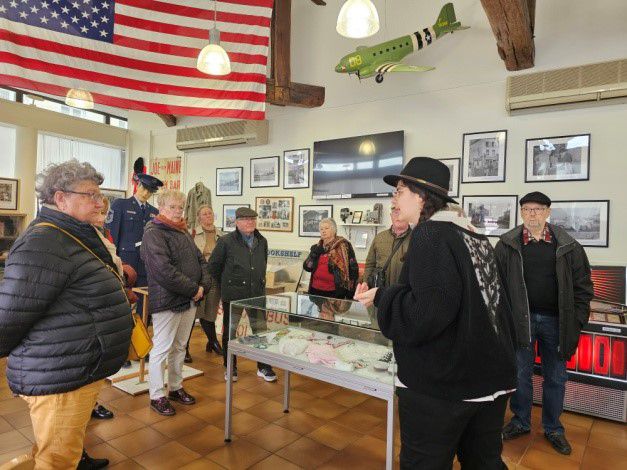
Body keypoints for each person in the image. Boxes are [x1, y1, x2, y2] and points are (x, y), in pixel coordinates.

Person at [354, 157, 517, 469]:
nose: (393, 199)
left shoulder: (430, 234)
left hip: (444, 386)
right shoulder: (475, 236)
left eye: (399, 191)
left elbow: (425, 314)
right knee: (484, 462)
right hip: (489, 380)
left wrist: (384, 296)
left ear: (421, 196)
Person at [0, 160, 133, 469]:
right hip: (59, 371)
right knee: (57, 459)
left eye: (102, 196)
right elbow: (10, 314)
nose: (101, 203)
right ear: (60, 198)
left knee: (60, 447)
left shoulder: (75, 233)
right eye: (91, 195)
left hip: (74, 364)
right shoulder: (44, 242)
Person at [495, 191, 594, 455]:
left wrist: (578, 321)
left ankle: (553, 428)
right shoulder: (506, 245)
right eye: (527, 209)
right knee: (519, 375)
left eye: (538, 209)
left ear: (548, 212)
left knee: (556, 377)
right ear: (521, 213)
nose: (532, 215)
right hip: (520, 323)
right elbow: (497, 288)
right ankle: (520, 421)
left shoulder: (568, 246)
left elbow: (584, 288)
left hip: (557, 323)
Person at [141, 190, 210, 416]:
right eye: (172, 207)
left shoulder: (182, 232)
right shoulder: (154, 233)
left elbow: (201, 262)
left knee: (180, 347)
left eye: (180, 207)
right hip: (168, 301)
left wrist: (203, 286)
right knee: (161, 349)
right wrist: (195, 289)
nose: (177, 211)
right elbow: (163, 271)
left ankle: (175, 387)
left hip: (190, 299)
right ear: (160, 207)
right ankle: (157, 395)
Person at [207, 207, 278, 382]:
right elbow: (213, 267)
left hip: (257, 294)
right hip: (234, 294)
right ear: (236, 222)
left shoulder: (262, 241)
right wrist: (228, 283)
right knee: (230, 332)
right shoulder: (225, 241)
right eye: (245, 220)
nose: (250, 222)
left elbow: (263, 263)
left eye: (253, 219)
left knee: (260, 331)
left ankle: (264, 366)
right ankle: (230, 367)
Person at [186, 205, 224, 362]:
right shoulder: (191, 234)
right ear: (199, 217)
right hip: (198, 278)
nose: (208, 216)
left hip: (215, 278)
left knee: (210, 311)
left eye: (210, 213)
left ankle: (212, 341)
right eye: (204, 214)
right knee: (193, 313)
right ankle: (184, 348)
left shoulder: (222, 236)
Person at [303, 218, 359, 299]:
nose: (323, 231)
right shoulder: (316, 247)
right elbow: (307, 267)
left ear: (334, 230)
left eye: (326, 228)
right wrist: (314, 254)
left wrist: (350, 291)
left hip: (335, 291)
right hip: (315, 290)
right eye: (321, 229)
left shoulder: (344, 246)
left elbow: (353, 269)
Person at [363, 208, 411, 288]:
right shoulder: (379, 237)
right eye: (396, 212)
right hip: (380, 292)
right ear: (391, 216)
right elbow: (370, 264)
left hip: (404, 294)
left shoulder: (417, 239)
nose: (399, 216)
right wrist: (365, 283)